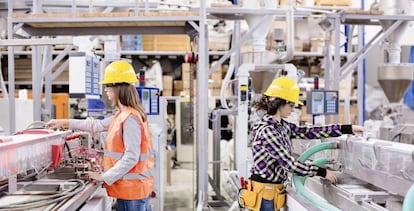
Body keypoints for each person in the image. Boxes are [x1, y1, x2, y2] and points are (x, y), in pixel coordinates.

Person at [242, 77, 364, 211]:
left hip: (273, 192)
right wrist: (322, 172)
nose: (293, 109)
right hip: (265, 194)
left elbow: (308, 131)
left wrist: (346, 129)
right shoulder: (267, 131)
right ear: (279, 103)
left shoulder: (282, 126)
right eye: (291, 105)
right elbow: (289, 164)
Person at [46, 61, 154, 211]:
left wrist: (104, 176)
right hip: (128, 190)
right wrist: (64, 122)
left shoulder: (130, 119)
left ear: (118, 88)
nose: (106, 90)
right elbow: (96, 126)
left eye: (108, 86)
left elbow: (131, 156)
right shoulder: (122, 115)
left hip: (133, 192)